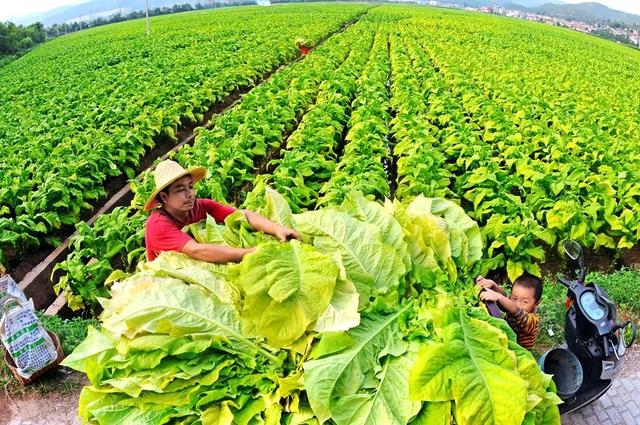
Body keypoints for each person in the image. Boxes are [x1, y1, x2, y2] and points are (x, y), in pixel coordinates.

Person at [144, 160, 300, 263]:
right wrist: (250, 253)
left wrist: (277, 229)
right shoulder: (158, 225)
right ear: (164, 197)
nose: (190, 194)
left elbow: (242, 215)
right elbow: (197, 251)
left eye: (190, 187)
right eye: (180, 190)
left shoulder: (201, 206)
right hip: (167, 282)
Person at [476, 273, 543, 350]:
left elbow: (518, 311)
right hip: (506, 340)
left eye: (524, 302)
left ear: (536, 303)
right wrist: (493, 285)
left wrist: (498, 297)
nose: (517, 304)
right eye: (514, 298)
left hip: (517, 351)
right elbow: (506, 298)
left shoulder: (533, 321)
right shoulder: (511, 303)